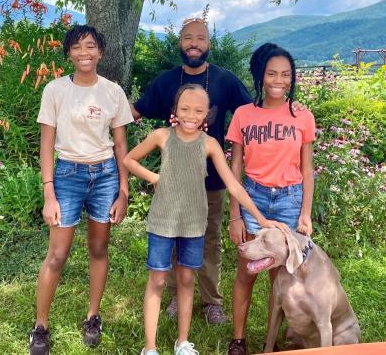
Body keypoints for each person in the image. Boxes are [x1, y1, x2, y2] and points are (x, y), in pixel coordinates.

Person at [124, 84, 291, 355]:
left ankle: (182, 342)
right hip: (162, 222)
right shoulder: (161, 136)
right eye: (185, 109)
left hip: (194, 224)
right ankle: (150, 347)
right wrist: (154, 177)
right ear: (174, 111)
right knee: (156, 280)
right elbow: (129, 159)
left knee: (187, 278)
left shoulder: (209, 144)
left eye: (199, 110)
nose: (191, 115)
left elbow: (234, 185)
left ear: (207, 115)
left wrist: (261, 219)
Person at [130, 17, 252, 324]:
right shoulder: (166, 81)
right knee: (171, 235)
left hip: (212, 179)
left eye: (200, 38)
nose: (193, 43)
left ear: (209, 44)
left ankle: (212, 301)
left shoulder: (225, 80)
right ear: (180, 43)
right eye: (188, 38)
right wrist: (101, 117)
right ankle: (175, 294)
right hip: (172, 182)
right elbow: (136, 110)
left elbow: (251, 115)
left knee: (209, 238)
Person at [29, 25, 133, 355]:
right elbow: (46, 146)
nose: (83, 52)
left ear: (100, 52)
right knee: (57, 253)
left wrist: (123, 191)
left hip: (105, 177)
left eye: (90, 46)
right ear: (68, 54)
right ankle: (40, 326)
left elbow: (120, 145)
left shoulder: (113, 91)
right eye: (76, 47)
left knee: (99, 248)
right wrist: (49, 193)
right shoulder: (55, 90)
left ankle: (93, 316)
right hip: (67, 176)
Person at [225, 43, 316, 355]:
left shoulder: (303, 117)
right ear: (260, 76)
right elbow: (235, 167)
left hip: (290, 200)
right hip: (253, 198)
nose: (280, 80)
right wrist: (234, 214)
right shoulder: (243, 115)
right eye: (272, 73)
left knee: (281, 279)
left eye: (286, 74)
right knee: (247, 270)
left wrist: (305, 213)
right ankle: (238, 340)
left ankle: (272, 342)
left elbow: (307, 168)